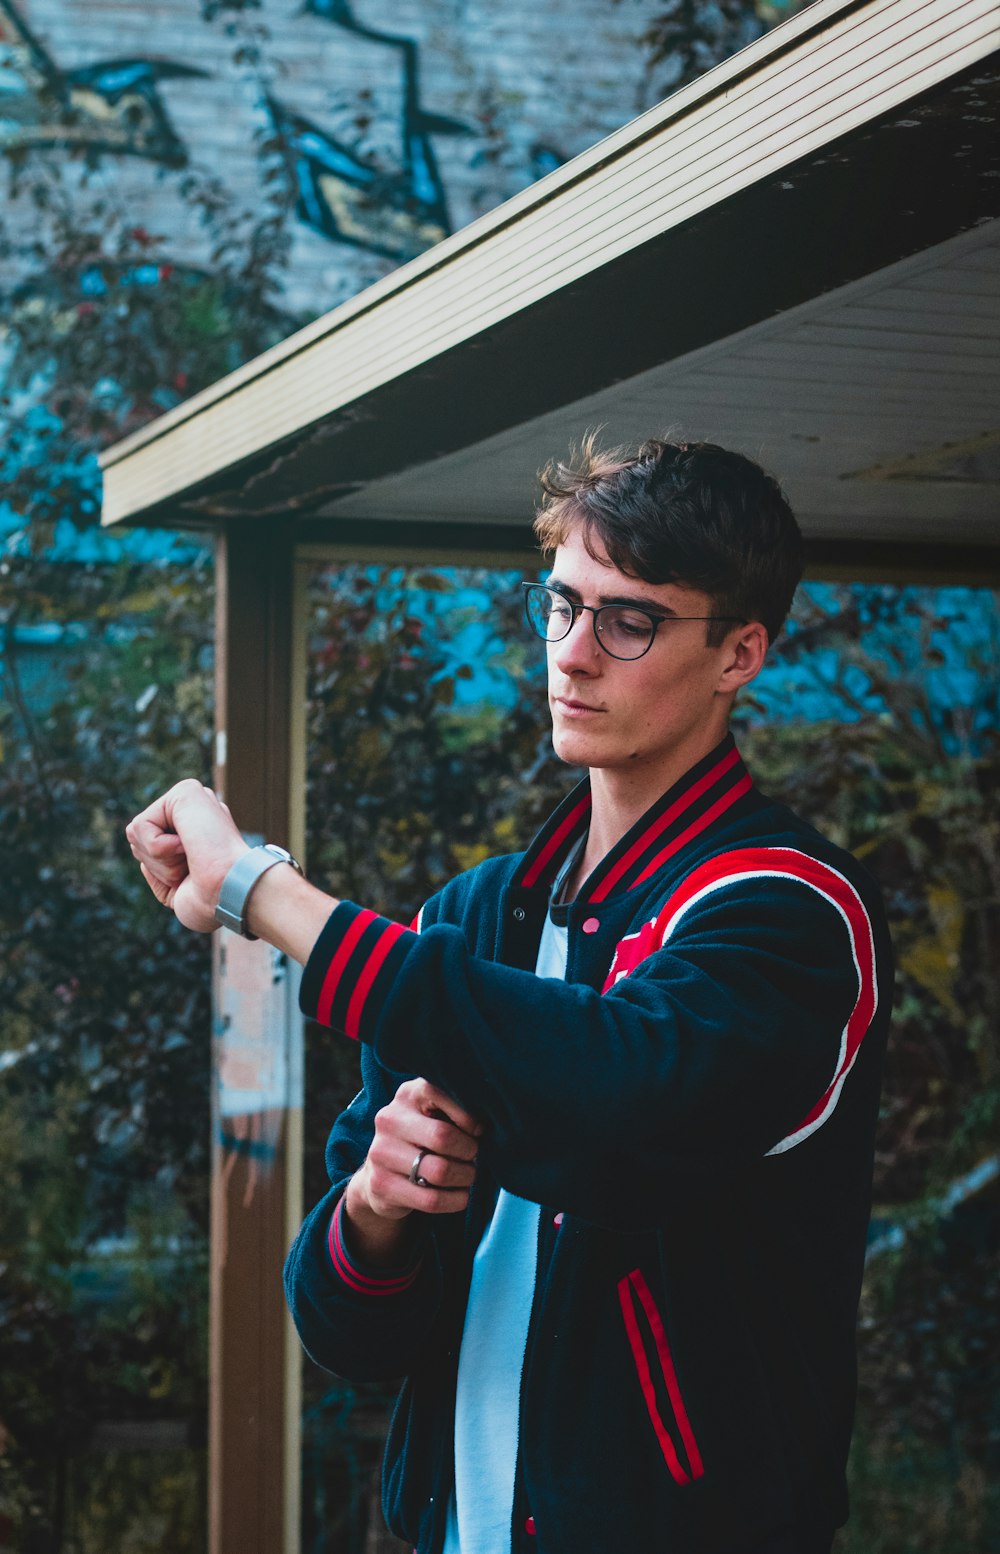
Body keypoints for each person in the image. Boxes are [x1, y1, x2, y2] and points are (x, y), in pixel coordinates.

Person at [127, 437, 892, 1554]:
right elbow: (346, 1333)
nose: (572, 655)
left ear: (739, 652)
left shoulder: (788, 911)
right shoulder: (475, 920)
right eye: (561, 604)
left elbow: (610, 1093)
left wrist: (256, 886)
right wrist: (377, 1214)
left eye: (628, 621)